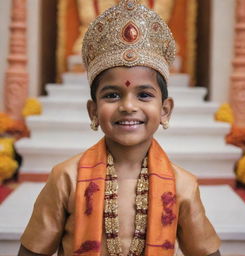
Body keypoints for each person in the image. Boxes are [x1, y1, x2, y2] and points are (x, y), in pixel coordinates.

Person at [18, 0, 221, 255]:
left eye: (144, 95)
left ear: (165, 110)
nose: (127, 106)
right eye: (112, 95)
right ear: (93, 111)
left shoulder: (182, 185)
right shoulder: (66, 178)